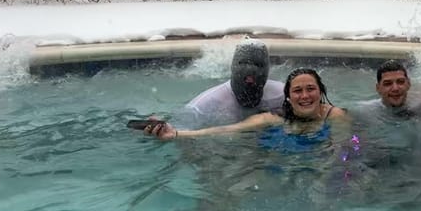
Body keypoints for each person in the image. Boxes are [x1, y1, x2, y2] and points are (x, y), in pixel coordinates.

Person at [145, 67, 348, 143]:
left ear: (321, 91)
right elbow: (226, 130)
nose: (305, 96)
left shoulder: (335, 115)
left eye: (310, 89)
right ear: (288, 96)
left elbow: (345, 147)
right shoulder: (273, 118)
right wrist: (177, 134)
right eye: (297, 91)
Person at [176, 39, 285, 128]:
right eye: (243, 63)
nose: (250, 70)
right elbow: (180, 134)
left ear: (267, 69)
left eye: (258, 65)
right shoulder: (203, 107)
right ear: (232, 67)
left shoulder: (282, 94)